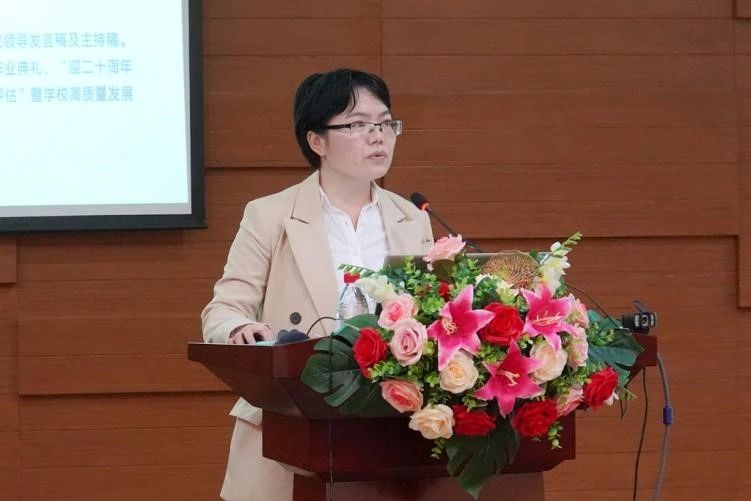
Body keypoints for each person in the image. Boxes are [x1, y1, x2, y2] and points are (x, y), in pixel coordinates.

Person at [201, 68, 434, 501]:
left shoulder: (412, 218)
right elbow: (223, 309)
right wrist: (239, 329)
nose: (378, 137)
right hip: (290, 426)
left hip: (391, 433)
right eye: (358, 124)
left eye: (386, 124)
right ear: (317, 140)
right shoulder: (270, 216)